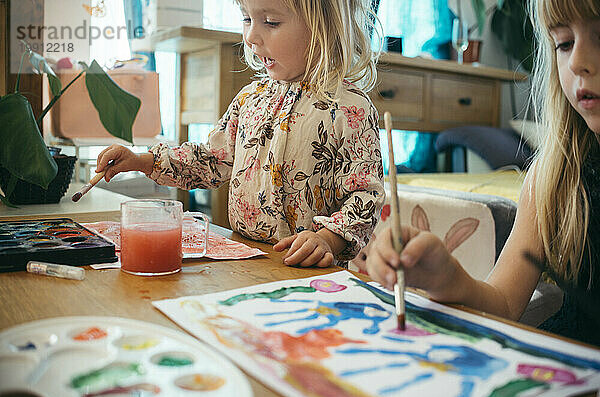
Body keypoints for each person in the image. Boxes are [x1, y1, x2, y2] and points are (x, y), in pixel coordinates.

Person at [365, 0, 600, 346]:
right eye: (563, 44)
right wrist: (448, 278)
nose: (577, 62)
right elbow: (503, 304)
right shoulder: (551, 179)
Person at [96, 0, 385, 268]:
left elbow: (366, 194)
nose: (250, 36)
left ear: (324, 27)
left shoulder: (351, 108)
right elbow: (211, 160)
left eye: (271, 22)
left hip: (307, 271)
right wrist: (143, 160)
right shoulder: (250, 99)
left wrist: (328, 240)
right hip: (244, 258)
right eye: (247, 19)